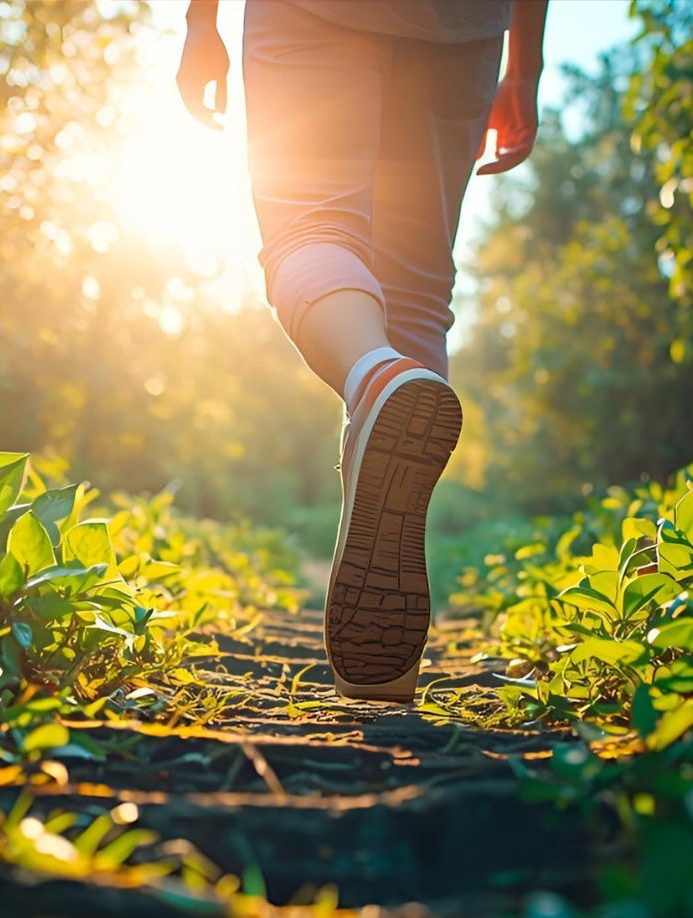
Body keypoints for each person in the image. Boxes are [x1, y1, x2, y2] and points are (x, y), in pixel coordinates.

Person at [177, 0, 546, 703]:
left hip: (315, 15)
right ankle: (388, 667)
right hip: (464, 27)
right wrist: (525, 64)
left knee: (311, 227)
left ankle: (373, 376)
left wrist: (201, 21)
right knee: (416, 289)